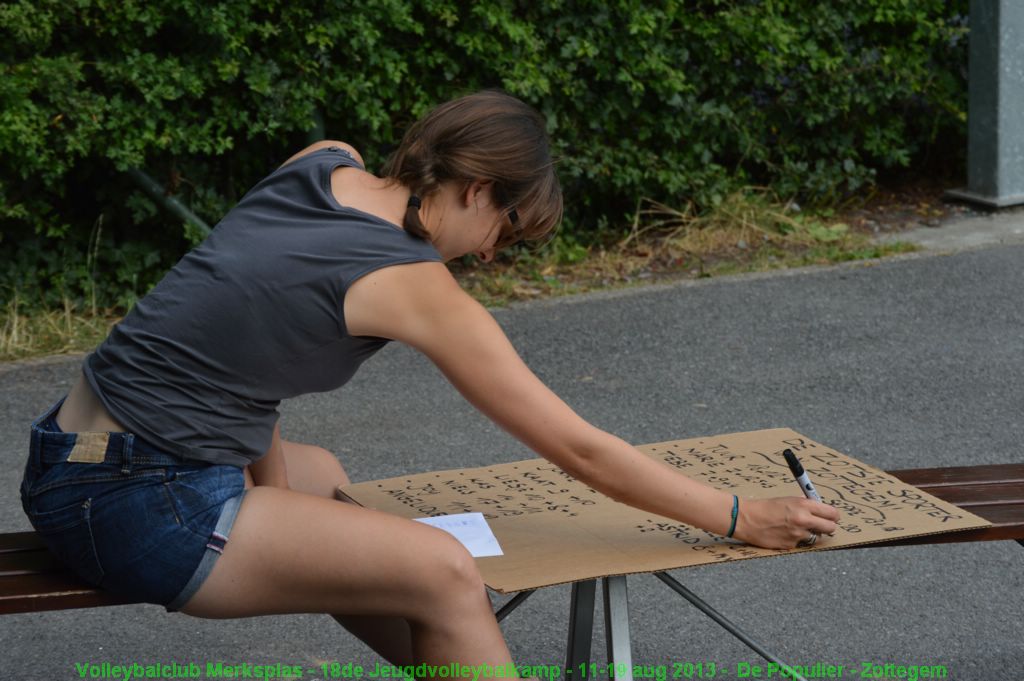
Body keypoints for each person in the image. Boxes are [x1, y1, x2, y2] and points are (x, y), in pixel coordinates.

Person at [20, 91, 839, 674]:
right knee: (442, 568)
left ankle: (458, 657)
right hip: (137, 504)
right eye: (506, 232)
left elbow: (237, 348)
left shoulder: (320, 165)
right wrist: (739, 514)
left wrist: (284, 496)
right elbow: (578, 446)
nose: (490, 255)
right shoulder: (413, 284)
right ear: (479, 190)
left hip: (68, 459)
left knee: (327, 478)